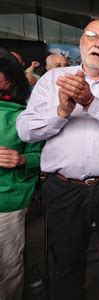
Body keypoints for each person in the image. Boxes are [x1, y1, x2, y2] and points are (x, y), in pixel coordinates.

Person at [17, 19, 99, 300]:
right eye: (92, 36)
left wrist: (91, 103)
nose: (98, 43)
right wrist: (61, 112)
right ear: (81, 43)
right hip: (64, 188)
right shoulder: (51, 81)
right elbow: (25, 130)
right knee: (68, 257)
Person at [0, 48, 43, 300]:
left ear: (10, 80)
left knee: (7, 268)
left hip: (7, 204)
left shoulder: (22, 117)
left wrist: (20, 159)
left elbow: (41, 156)